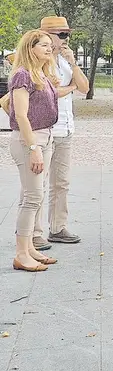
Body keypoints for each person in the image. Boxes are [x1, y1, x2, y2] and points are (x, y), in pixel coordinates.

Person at [7, 30, 77, 271]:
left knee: (35, 196)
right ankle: (20, 253)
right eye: (44, 45)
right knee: (33, 197)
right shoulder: (22, 75)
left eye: (50, 45)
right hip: (31, 140)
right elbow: (21, 116)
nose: (49, 49)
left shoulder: (41, 74)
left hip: (46, 136)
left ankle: (29, 249)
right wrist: (33, 147)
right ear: (30, 48)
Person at [29, 17, 90, 249]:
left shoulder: (65, 61)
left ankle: (58, 227)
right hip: (43, 129)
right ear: (45, 36)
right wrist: (71, 87)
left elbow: (84, 88)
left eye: (67, 35)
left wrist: (73, 64)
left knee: (61, 182)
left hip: (65, 128)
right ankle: (33, 231)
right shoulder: (37, 62)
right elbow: (49, 92)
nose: (65, 39)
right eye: (61, 35)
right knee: (37, 185)